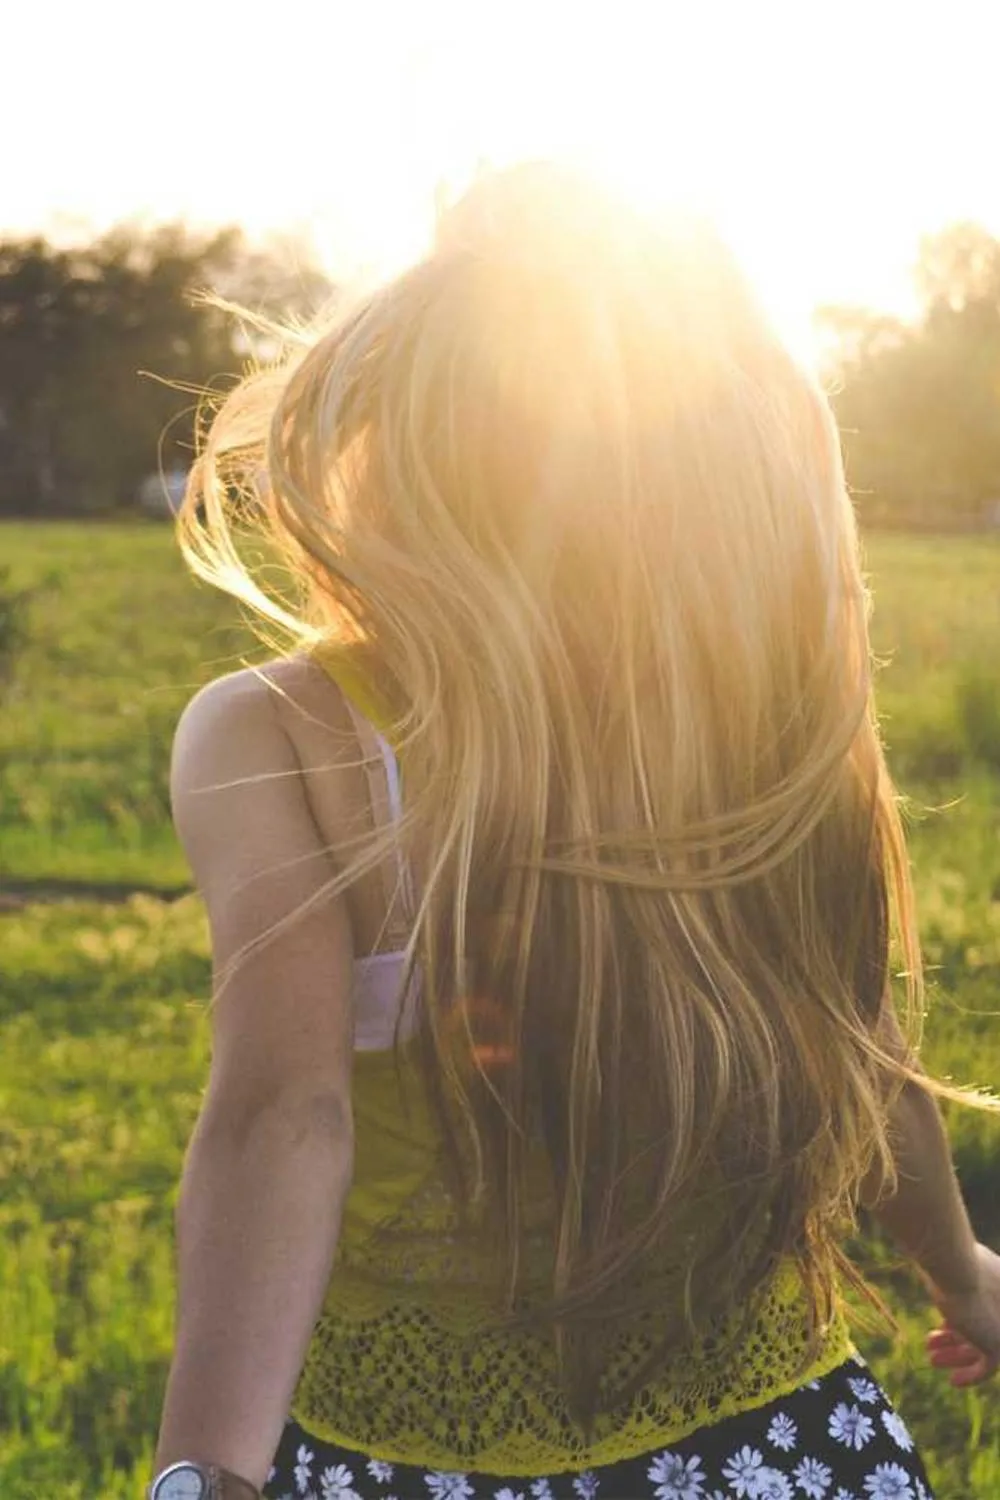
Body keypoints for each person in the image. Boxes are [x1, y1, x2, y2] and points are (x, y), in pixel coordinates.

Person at [149, 164, 999, 1500]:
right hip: (777, 1452)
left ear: (401, 438)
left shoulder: (280, 731)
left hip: (413, 1463)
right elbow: (862, 1036)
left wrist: (208, 1471)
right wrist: (964, 1271)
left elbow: (283, 1115)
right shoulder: (758, 714)